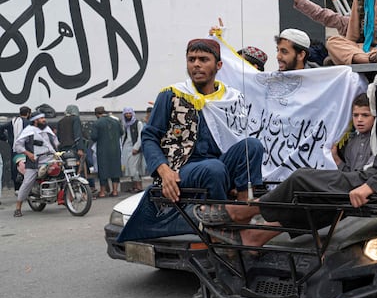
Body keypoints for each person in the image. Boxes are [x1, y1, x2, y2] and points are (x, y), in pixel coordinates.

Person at [195, 8, 377, 248]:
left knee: (301, 180)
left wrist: (372, 186)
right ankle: (256, 235)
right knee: (320, 195)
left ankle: (242, 212)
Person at [117, 38, 265, 243]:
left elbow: (239, 135)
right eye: (191, 59)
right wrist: (164, 170)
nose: (196, 64)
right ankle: (220, 234)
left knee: (253, 146)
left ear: (218, 65)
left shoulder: (231, 98)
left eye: (203, 59)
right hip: (183, 168)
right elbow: (150, 136)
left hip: (220, 164)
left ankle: (243, 215)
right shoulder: (171, 94)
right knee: (212, 168)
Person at [13, 112, 58, 217]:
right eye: (41, 118)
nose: (44, 120)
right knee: (27, 182)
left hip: (50, 159)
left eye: (43, 118)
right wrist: (28, 154)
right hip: (35, 163)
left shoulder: (47, 129)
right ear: (35, 120)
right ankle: (18, 207)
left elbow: (55, 142)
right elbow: (18, 145)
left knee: (62, 175)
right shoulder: (28, 131)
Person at [332, 93, 375, 172]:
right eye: (355, 115)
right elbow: (349, 175)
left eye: (365, 115)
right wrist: (336, 159)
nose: (359, 119)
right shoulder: (351, 142)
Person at [91, 106, 123, 197]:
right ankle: (115, 191)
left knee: (103, 170)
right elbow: (121, 132)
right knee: (115, 169)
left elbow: (94, 137)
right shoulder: (116, 121)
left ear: (97, 114)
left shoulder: (97, 123)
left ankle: (102, 192)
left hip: (103, 150)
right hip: (115, 149)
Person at [1, 105, 31, 191]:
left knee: (15, 168)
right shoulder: (28, 123)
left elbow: (1, 128)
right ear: (28, 113)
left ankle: (17, 188)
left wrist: (5, 138)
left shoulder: (13, 122)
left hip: (14, 149)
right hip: (26, 150)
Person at [120, 107, 146, 192]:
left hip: (135, 149)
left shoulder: (138, 123)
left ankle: (139, 186)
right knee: (128, 168)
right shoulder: (125, 124)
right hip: (127, 149)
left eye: (129, 113)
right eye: (126, 113)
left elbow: (140, 136)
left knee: (134, 168)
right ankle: (134, 186)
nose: (128, 115)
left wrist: (136, 148)